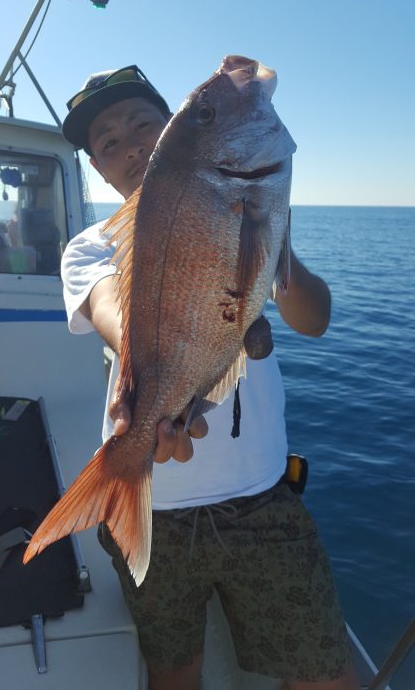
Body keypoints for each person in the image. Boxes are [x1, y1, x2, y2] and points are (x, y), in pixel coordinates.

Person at [61, 65, 358, 690]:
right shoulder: (89, 246)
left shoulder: (244, 202)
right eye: (108, 142)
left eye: (145, 123)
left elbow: (314, 319)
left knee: (325, 673)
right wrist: (152, 399)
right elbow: (113, 314)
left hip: (262, 496)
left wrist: (275, 250)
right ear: (96, 166)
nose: (131, 144)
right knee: (174, 672)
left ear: (171, 131)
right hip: (159, 511)